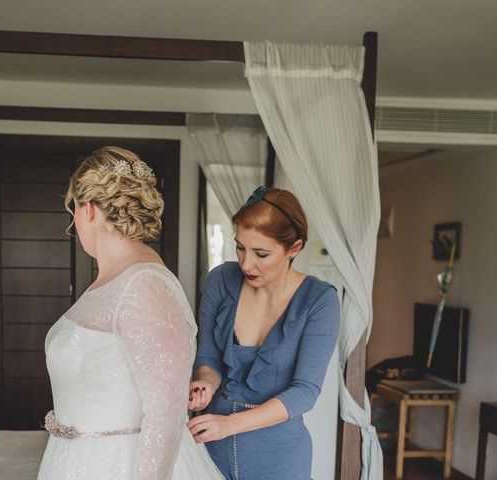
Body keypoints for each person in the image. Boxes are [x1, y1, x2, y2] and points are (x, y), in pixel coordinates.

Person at [37, 147, 223, 480]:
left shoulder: (144, 285)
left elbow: (165, 411)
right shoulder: (112, 279)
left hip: (120, 467)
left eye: (74, 209)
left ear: (89, 210)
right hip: (78, 462)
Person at [187, 186, 340, 480]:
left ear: (294, 248)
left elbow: (305, 391)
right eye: (240, 247)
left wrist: (230, 425)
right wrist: (205, 382)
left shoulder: (319, 301)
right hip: (210, 448)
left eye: (261, 253)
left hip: (277, 456)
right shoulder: (221, 280)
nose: (246, 263)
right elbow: (208, 355)